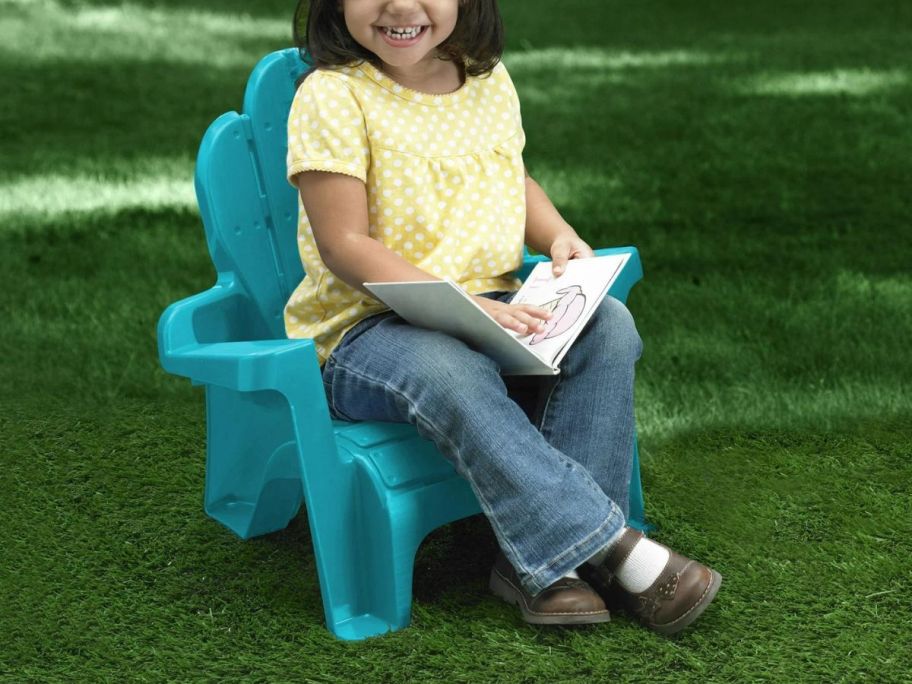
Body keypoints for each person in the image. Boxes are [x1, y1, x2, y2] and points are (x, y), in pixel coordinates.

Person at [285, 0, 722, 635]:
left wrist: (557, 235)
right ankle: (609, 549)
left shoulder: (486, 79)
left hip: (498, 312)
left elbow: (509, 178)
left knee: (610, 327)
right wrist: (461, 310)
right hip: (370, 331)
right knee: (447, 366)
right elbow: (344, 246)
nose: (401, 7)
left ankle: (544, 568)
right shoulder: (333, 95)